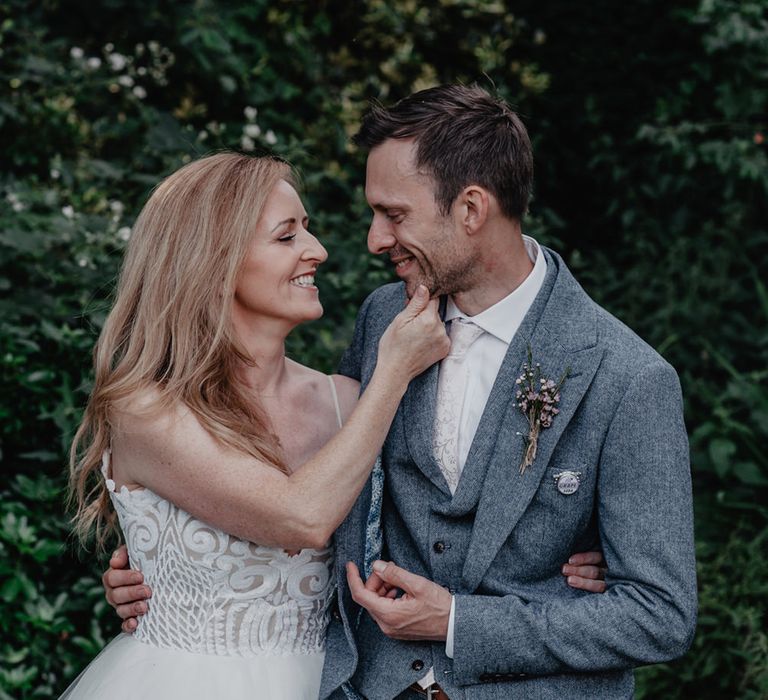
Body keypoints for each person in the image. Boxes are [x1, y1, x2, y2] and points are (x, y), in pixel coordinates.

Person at [102, 84, 675, 699]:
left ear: (472, 209)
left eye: (394, 215)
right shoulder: (384, 322)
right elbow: (317, 499)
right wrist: (170, 569)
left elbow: (658, 614)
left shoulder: (626, 376)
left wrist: (461, 622)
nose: (373, 240)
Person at [62, 152, 452, 700]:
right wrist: (392, 373)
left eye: (308, 231)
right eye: (286, 236)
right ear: (214, 260)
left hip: (333, 685)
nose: (317, 251)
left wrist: (576, 555)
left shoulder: (349, 403)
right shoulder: (146, 412)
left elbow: (436, 528)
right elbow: (301, 517)